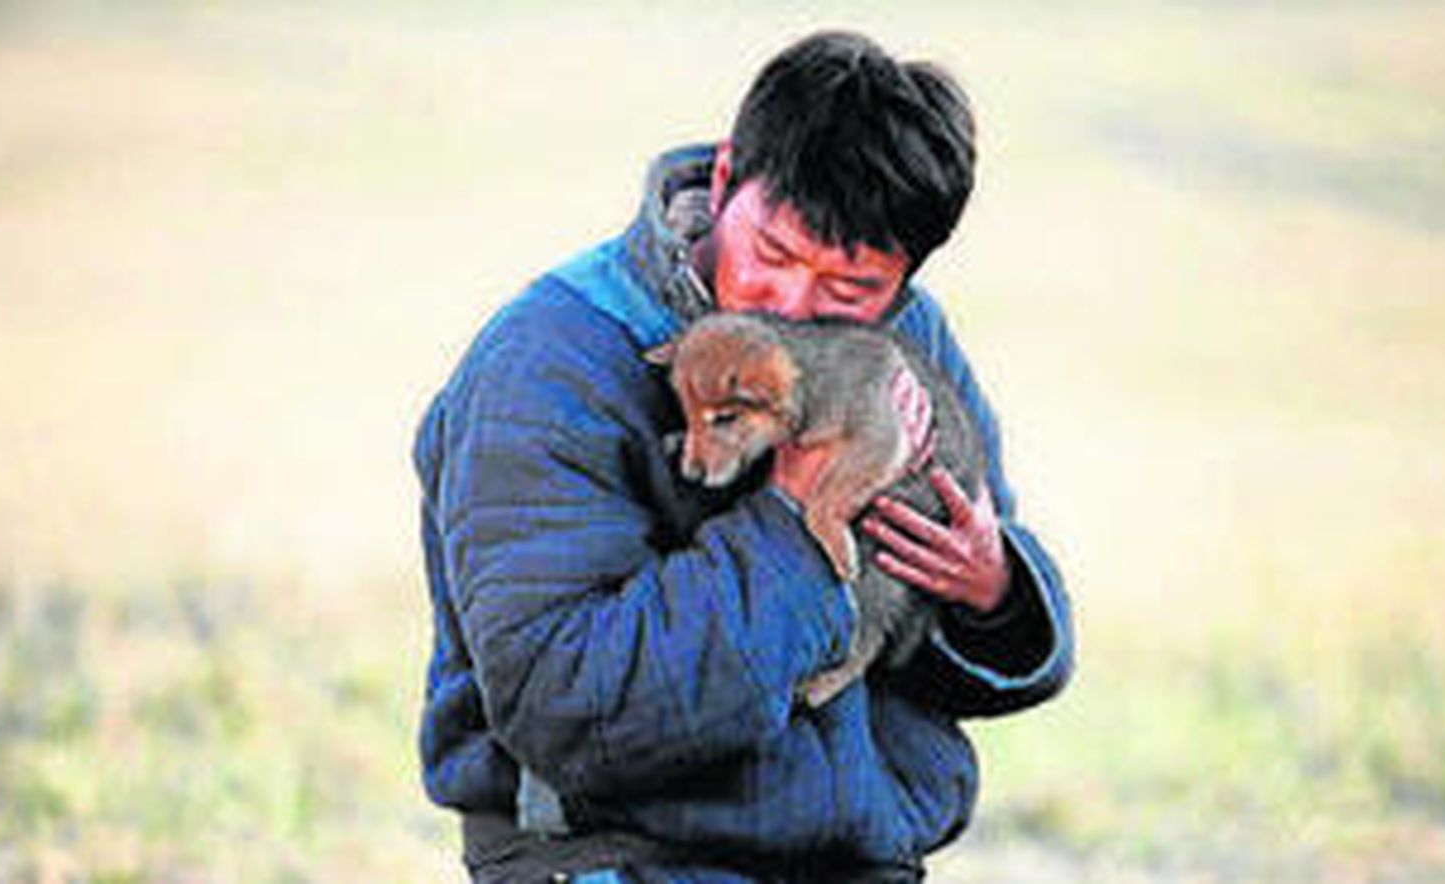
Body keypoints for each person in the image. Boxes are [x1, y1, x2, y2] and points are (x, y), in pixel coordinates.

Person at [413, 30, 1074, 883]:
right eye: (774, 253)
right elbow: (567, 709)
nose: (794, 306)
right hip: (615, 856)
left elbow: (936, 641)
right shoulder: (551, 361)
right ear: (725, 179)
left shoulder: (905, 345)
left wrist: (992, 593)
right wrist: (798, 525)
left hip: (854, 858)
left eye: (849, 288)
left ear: (905, 279)